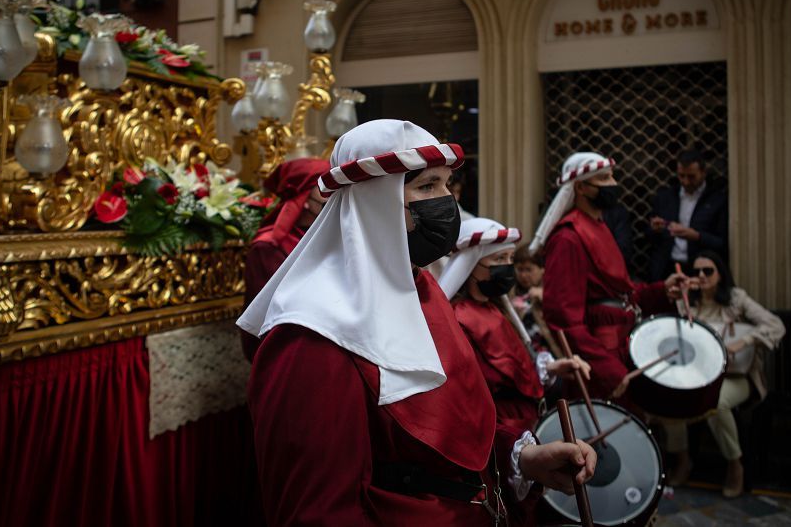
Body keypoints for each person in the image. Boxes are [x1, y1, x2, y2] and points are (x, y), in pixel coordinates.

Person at [238, 120, 596, 526]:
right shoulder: (312, 337)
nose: (447, 202)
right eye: (426, 187)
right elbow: (319, 510)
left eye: (447, 185)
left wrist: (522, 457)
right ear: (374, 202)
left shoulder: (421, 290)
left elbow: (446, 426)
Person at [529, 151, 686, 402]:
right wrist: (604, 367)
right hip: (599, 358)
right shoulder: (567, 238)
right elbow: (563, 317)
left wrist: (661, 289)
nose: (613, 184)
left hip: (620, 348)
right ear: (580, 187)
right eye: (603, 178)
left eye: (612, 177)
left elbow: (617, 291)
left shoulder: (598, 226)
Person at [437, 217, 591, 434]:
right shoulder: (459, 318)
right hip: (503, 428)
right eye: (499, 259)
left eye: (510, 258)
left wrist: (551, 367)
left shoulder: (494, 308)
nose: (508, 267)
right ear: (470, 265)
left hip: (526, 420)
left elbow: (517, 365)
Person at [660, 251, 785, 498]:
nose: (702, 276)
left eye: (708, 271)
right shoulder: (686, 301)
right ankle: (683, 458)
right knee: (668, 399)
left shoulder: (736, 299)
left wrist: (744, 341)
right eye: (696, 271)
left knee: (716, 402)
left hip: (735, 377)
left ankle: (734, 464)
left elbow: (775, 325)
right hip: (697, 376)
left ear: (720, 274)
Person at [239, 157, 329, 362]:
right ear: (304, 197)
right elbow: (269, 318)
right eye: (325, 185)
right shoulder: (267, 248)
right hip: (290, 352)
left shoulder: (325, 235)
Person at [646, 149, 728, 281]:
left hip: (699, 269)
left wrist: (696, 236)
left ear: (703, 173)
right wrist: (655, 229)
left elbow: (723, 243)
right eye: (681, 176)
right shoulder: (665, 197)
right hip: (667, 267)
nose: (686, 181)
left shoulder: (717, 200)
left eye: (691, 177)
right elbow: (649, 237)